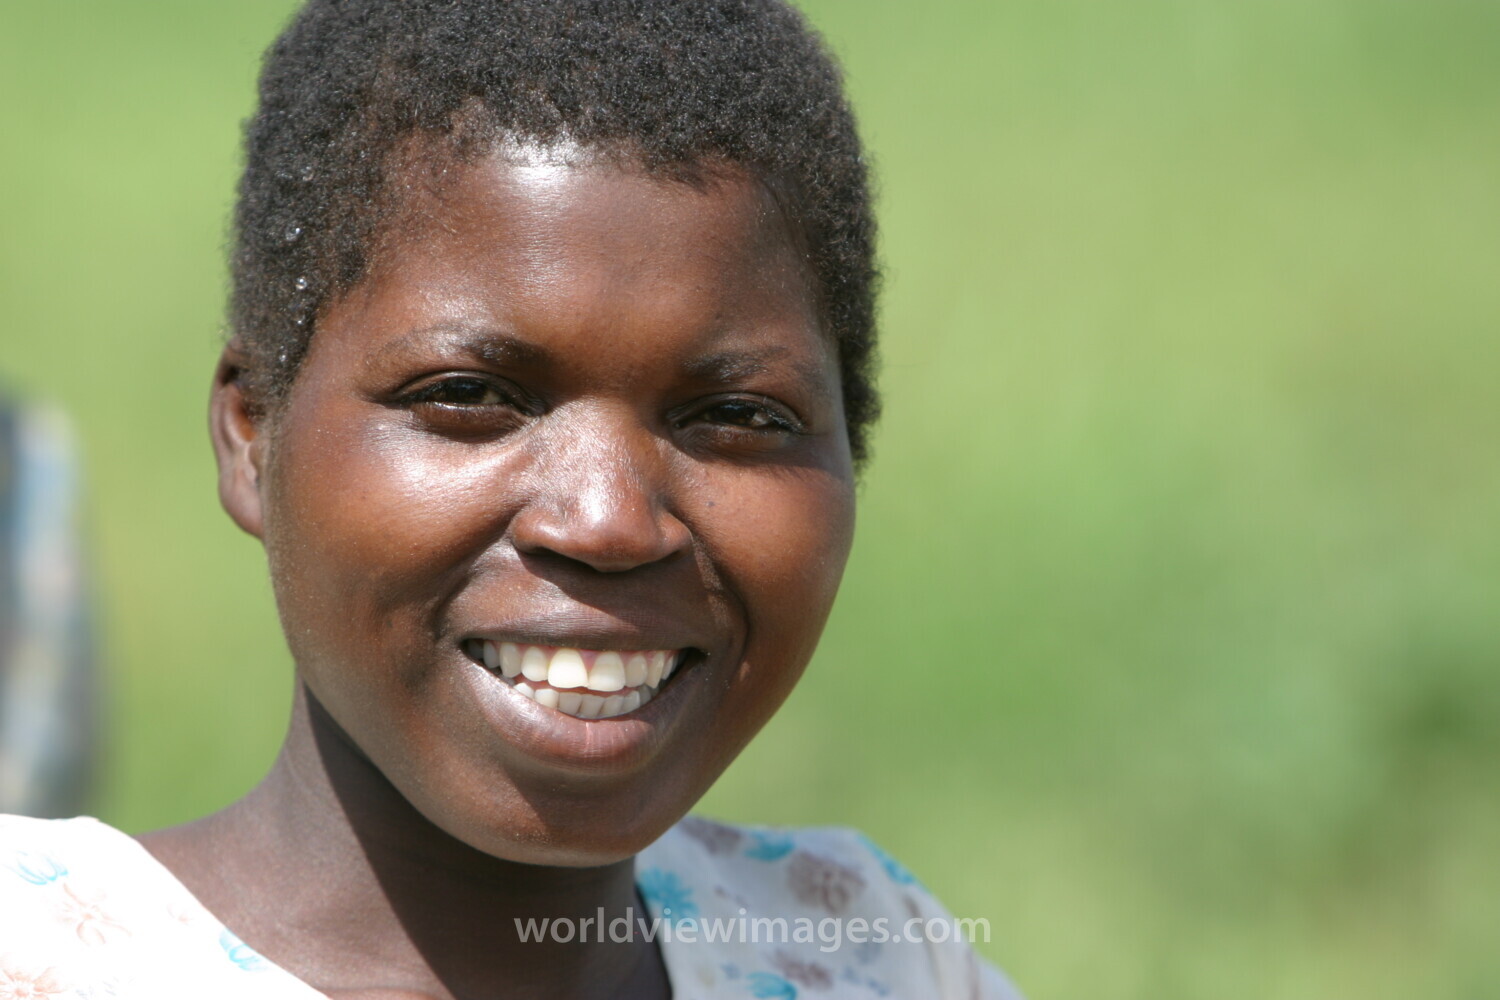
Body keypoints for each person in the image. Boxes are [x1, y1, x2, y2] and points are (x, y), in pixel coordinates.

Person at [0, 2, 1020, 996]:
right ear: (252, 429)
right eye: (469, 397)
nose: (610, 520)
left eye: (738, 415)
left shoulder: (867, 952)